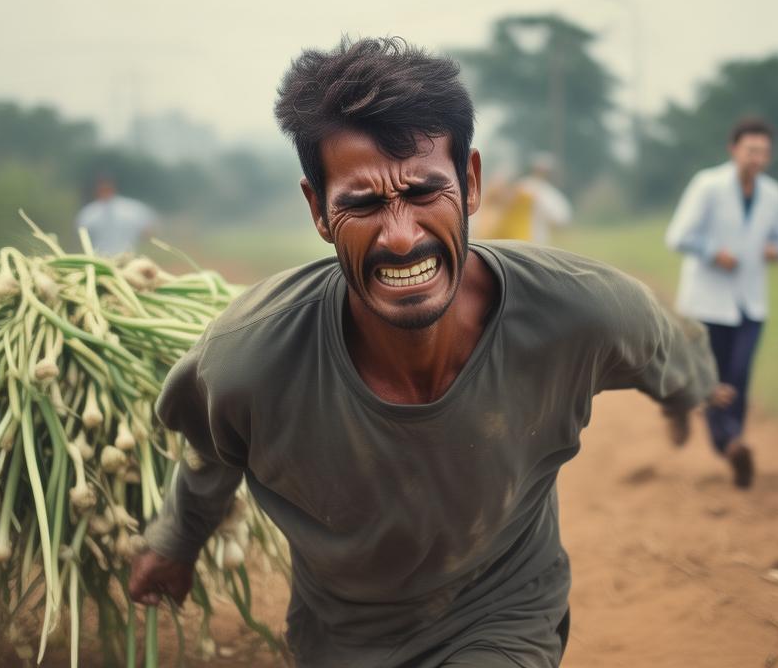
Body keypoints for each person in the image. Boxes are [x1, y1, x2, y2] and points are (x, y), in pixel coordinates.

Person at [128, 37, 715, 667]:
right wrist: (176, 540)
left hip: (503, 612)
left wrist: (690, 392)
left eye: (424, 192)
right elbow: (213, 448)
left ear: (470, 182)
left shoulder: (580, 310)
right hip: (340, 639)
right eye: (363, 203)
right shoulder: (248, 360)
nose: (402, 237)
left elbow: (670, 350)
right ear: (318, 211)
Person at [663, 118, 778, 489]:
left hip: (751, 303)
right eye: (751, 150)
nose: (757, 158)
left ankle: (732, 440)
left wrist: (776, 249)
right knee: (712, 379)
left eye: (764, 152)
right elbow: (678, 236)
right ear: (733, 149)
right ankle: (730, 442)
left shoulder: (773, 194)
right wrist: (711, 252)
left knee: (739, 375)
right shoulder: (708, 185)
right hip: (707, 302)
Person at [74, 172, 157, 255]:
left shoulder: (132, 209)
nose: (104, 188)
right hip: (100, 261)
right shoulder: (88, 214)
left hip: (128, 260)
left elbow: (149, 231)